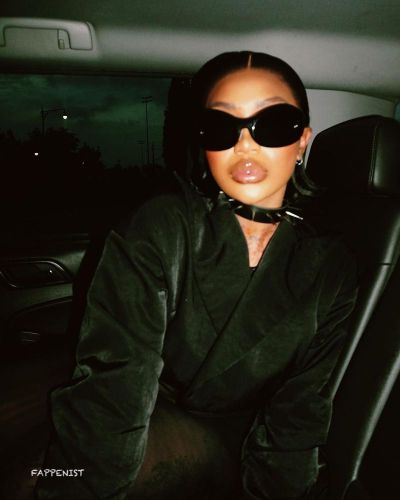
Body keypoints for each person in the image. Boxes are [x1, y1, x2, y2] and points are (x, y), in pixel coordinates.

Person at [35, 51, 358, 500]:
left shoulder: (330, 266)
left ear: (303, 140)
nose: (245, 144)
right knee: (45, 470)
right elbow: (114, 384)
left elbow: (301, 407)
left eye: (273, 124)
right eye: (222, 128)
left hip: (241, 439)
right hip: (146, 407)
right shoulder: (160, 229)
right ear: (204, 144)